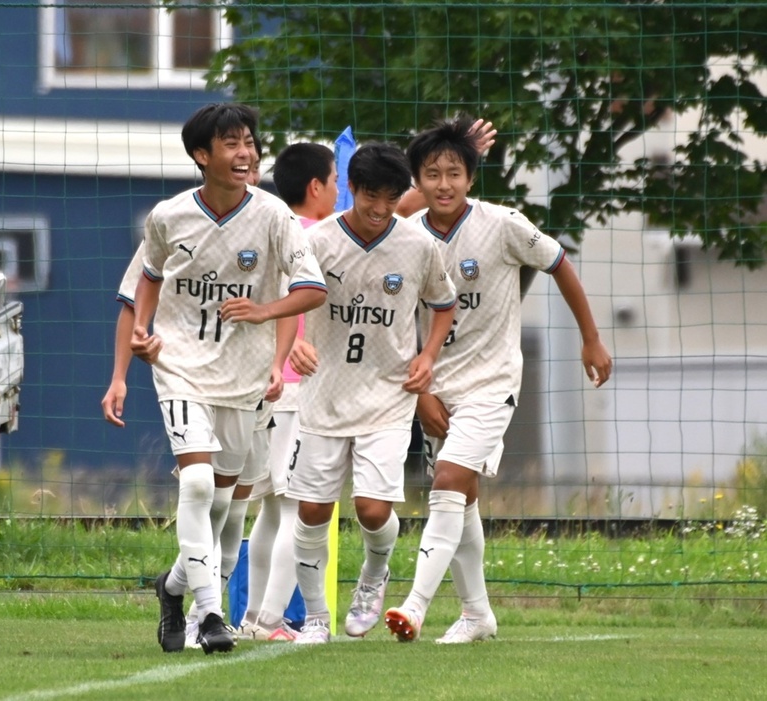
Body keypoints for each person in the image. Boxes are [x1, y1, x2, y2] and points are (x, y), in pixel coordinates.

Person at [383, 116, 612, 644]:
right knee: (461, 500)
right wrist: (422, 394)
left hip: (493, 382)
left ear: (471, 177)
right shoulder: (407, 238)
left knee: (446, 484)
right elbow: (398, 322)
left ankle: (415, 607)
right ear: (418, 180)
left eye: (455, 172)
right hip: (436, 387)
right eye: (433, 173)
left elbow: (559, 263)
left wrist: (591, 339)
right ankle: (477, 614)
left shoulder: (504, 223)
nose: (444, 184)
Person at [128, 102, 328, 654]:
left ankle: (171, 590)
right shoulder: (168, 216)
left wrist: (264, 312)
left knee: (224, 511)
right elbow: (146, 278)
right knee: (195, 485)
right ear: (202, 155)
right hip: (179, 367)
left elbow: (312, 288)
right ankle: (212, 614)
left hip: (243, 381)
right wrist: (143, 333)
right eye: (232, 144)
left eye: (250, 142)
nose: (247, 154)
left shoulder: (273, 216)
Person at [285, 142, 457, 644]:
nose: (380, 209)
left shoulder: (419, 246)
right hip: (323, 394)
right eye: (369, 198)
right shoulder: (316, 243)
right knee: (312, 510)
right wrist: (296, 344)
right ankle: (316, 618)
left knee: (372, 510)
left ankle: (373, 576)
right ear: (351, 190)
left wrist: (428, 356)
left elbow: (443, 304)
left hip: (387, 394)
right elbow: (286, 299)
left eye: (390, 198)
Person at [239, 142, 340, 641]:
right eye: (338, 181)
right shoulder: (316, 237)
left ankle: (254, 616)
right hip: (297, 389)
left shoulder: (272, 229)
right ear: (317, 187)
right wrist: (297, 346)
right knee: (298, 507)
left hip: (267, 382)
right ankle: (268, 620)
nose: (344, 193)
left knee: (273, 508)